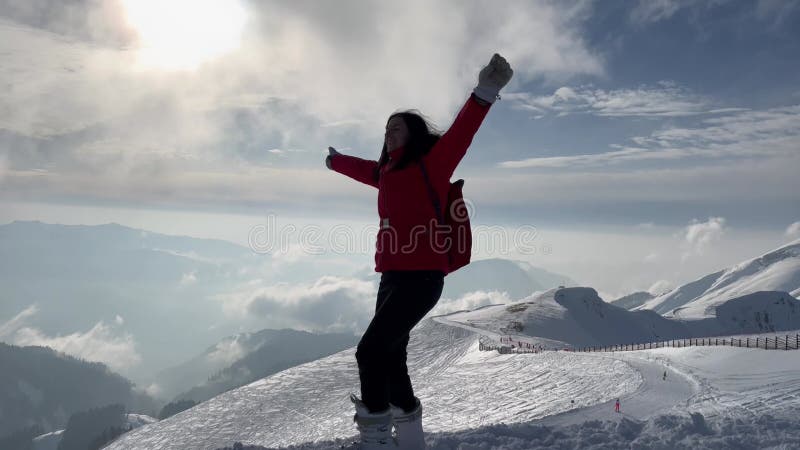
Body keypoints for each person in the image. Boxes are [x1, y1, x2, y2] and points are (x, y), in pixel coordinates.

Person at [326, 54, 513, 449]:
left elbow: (462, 132)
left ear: (413, 134)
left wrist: (485, 90)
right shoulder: (386, 173)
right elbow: (364, 169)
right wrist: (335, 160)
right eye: (386, 130)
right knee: (391, 359)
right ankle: (411, 439)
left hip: (423, 277)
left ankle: (375, 439)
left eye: (397, 129)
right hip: (391, 278)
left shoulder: (432, 164)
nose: (389, 134)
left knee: (370, 352)